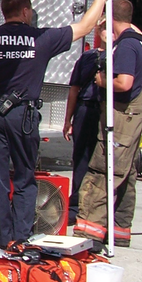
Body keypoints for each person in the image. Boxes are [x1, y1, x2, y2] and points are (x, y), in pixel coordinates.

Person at [0, 0, 116, 248]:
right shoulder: (40, 37)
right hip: (22, 114)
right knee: (25, 176)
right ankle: (21, 239)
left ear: (4, 13)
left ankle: (2, 238)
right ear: (26, 12)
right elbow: (85, 26)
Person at [74, 0, 142, 249]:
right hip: (133, 115)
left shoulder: (127, 46)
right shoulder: (140, 41)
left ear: (109, 17)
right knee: (126, 173)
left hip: (122, 116)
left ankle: (90, 233)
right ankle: (119, 230)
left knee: (103, 169)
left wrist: (102, 80)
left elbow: (125, 82)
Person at [63, 42, 103, 225]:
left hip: (106, 112)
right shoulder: (87, 58)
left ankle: (99, 210)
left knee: (104, 164)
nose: (105, 33)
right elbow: (74, 89)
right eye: (102, 28)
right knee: (81, 161)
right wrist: (68, 120)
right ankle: (75, 207)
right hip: (85, 110)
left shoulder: (120, 54)